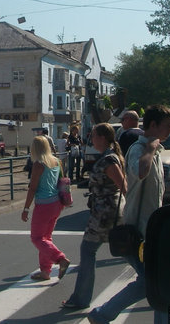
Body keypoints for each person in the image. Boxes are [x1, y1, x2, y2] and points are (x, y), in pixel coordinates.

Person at [87, 105, 170, 324]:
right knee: (154, 282)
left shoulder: (153, 150)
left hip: (151, 230)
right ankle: (103, 314)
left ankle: (103, 314)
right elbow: (140, 172)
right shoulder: (139, 149)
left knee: (154, 281)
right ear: (153, 126)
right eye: (167, 126)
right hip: (138, 230)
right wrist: (151, 146)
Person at [62, 123, 127, 309]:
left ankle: (81, 298)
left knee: (88, 251)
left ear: (103, 138)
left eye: (94, 136)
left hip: (106, 213)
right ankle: (146, 277)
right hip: (105, 211)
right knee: (125, 250)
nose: (91, 139)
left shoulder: (109, 160)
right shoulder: (109, 157)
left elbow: (123, 185)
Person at [21, 135, 71, 281]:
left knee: (37, 238)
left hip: (43, 204)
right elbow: (62, 181)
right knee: (46, 238)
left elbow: (33, 188)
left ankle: (60, 258)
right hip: (57, 203)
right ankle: (45, 271)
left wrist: (26, 209)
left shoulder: (38, 164)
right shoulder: (56, 161)